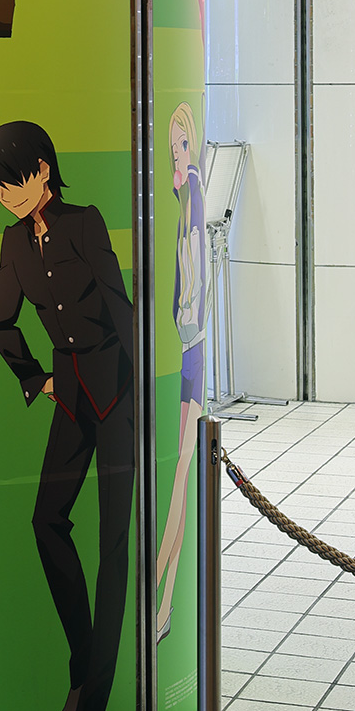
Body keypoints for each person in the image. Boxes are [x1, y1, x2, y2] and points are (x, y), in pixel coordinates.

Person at [0, 115, 134, 711]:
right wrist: (34, 376)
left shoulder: (84, 222)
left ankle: (92, 708)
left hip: (117, 393)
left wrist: (142, 390)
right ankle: (82, 666)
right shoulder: (13, 243)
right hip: (68, 393)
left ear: (43, 170)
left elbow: (120, 305)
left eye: (12, 181)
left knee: (114, 545)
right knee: (46, 522)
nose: (5, 196)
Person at [156, 102, 206, 640]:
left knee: (179, 478)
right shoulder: (185, 202)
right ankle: (165, 601)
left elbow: (190, 292)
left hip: (190, 352)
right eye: (173, 148)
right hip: (188, 349)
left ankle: (161, 596)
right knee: (181, 477)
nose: (177, 157)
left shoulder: (192, 196)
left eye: (182, 145)